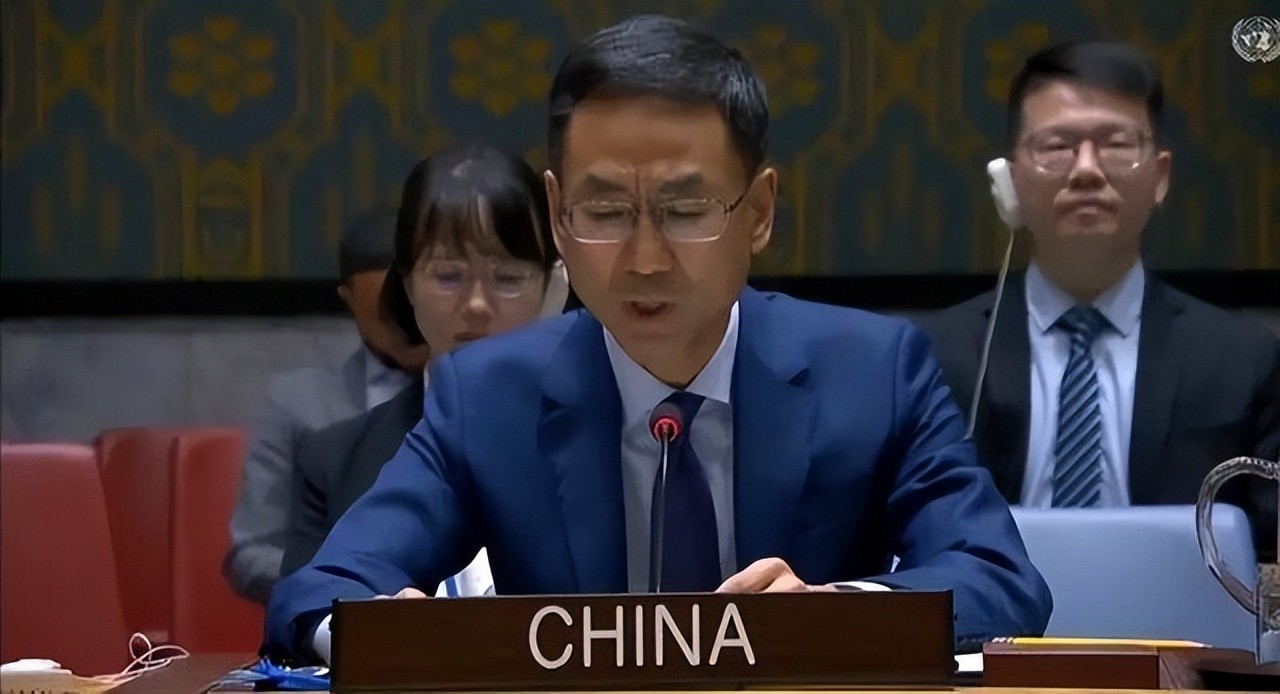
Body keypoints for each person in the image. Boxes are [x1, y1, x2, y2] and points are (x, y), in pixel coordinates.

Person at [266, 15, 1051, 664]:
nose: (644, 259)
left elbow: (998, 579)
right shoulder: (489, 394)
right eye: (605, 213)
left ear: (759, 212)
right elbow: (320, 590)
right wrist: (381, 633)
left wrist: (830, 611)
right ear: (557, 217)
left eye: (685, 210)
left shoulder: (873, 371)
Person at [920, 41, 1279, 558]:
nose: (1086, 170)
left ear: (1159, 177)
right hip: (995, 610)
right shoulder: (934, 356)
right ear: (1010, 181)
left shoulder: (1243, 360)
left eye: (1116, 144)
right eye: (1057, 146)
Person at [279, 144, 562, 593]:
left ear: (552, 285)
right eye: (449, 276)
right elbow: (301, 610)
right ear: (408, 281)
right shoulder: (334, 460)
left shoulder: (607, 434)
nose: (476, 304)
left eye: (508, 278)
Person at [225, 210, 431, 603]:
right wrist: (340, 587)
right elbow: (252, 551)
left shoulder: (474, 396)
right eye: (385, 313)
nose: (403, 325)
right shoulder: (300, 405)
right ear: (348, 300)